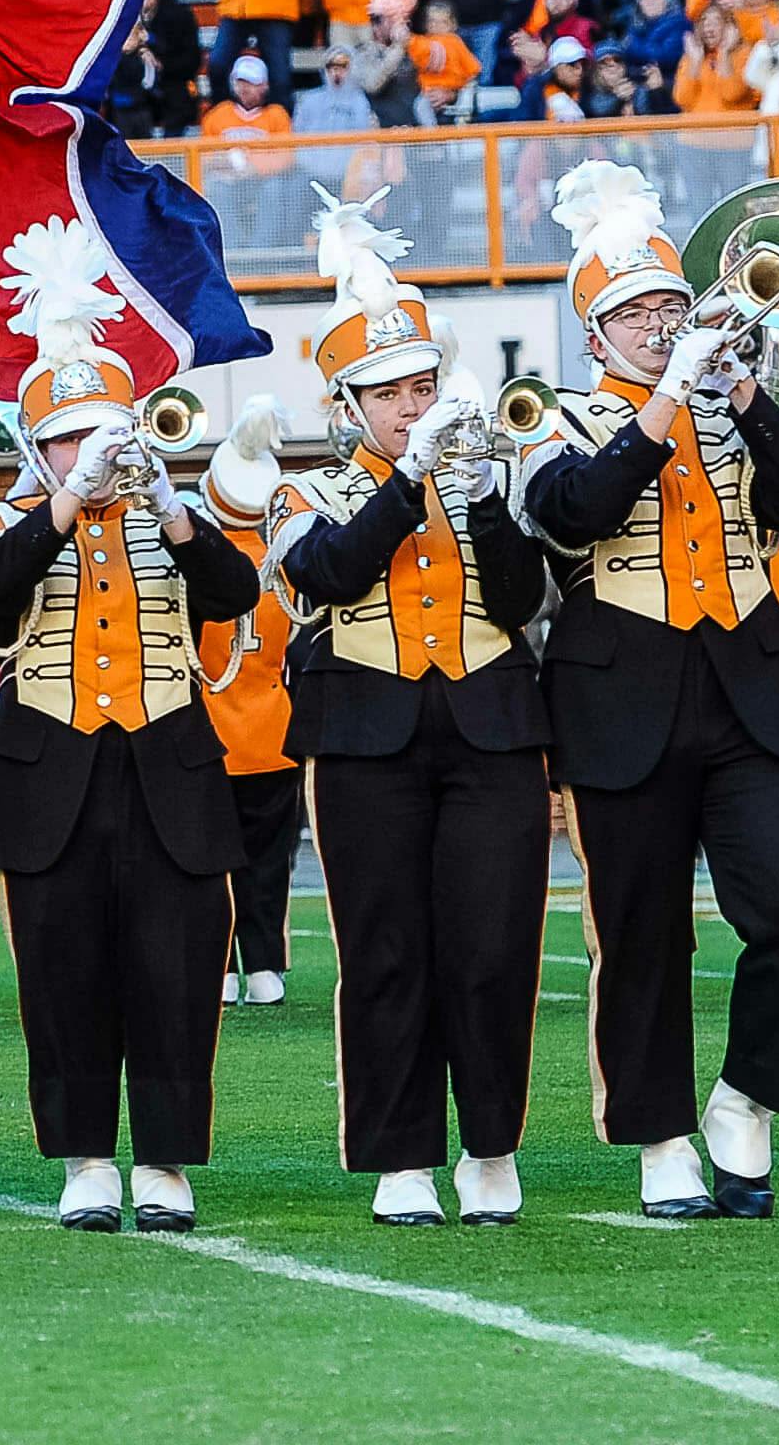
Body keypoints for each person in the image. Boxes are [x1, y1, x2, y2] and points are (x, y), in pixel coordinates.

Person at [512, 162, 779, 1220]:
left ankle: (746, 1098)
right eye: (634, 314)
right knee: (643, 931)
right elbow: (577, 509)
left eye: (666, 306)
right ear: (595, 334)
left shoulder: (727, 403)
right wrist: (661, 403)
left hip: (751, 686)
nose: (658, 325)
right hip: (621, 700)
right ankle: (659, 1136)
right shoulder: (555, 417)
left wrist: (741, 387)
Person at [0, 218, 256, 1234]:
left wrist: (171, 506)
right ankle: (85, 1155)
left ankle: (167, 1158)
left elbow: (234, 590)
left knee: (174, 969)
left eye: (102, 431)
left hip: (166, 762)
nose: (94, 449)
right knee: (63, 971)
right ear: (38, 447)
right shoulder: (5, 520)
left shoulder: (168, 515)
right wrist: (67, 499)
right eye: (71, 435)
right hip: (52, 774)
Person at [269, 188, 549, 1227]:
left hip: (491, 724)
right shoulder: (311, 491)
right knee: (387, 947)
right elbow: (331, 575)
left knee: (493, 942)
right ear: (348, 406)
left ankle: (490, 1144)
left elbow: (522, 601)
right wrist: (410, 480)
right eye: (387, 390)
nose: (410, 402)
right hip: (366, 738)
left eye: (422, 382)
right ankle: (400, 1155)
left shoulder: (486, 474)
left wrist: (474, 491)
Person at [194, 398, 300, 1007]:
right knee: (269, 864)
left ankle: (222, 967)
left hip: (211, 733)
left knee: (212, 862)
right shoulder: (282, 564)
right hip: (272, 729)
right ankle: (265, 967)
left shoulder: (196, 565)